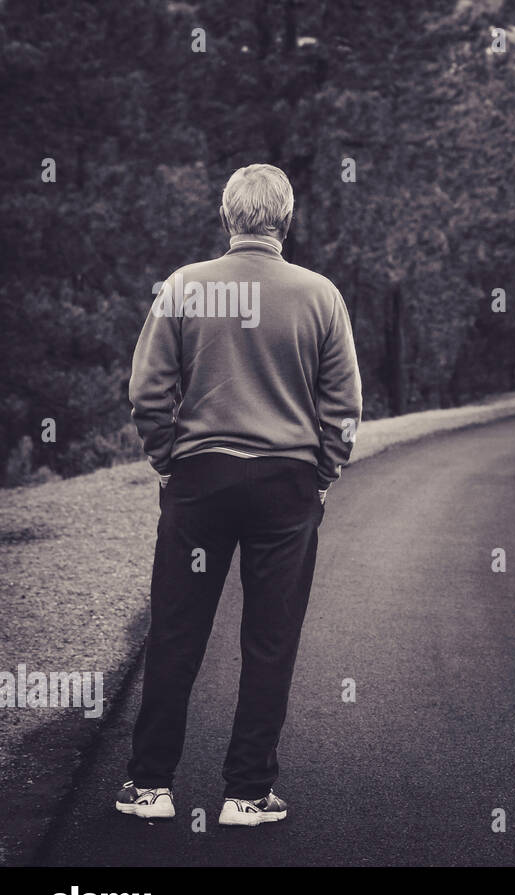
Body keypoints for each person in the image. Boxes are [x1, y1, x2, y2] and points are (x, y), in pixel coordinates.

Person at [117, 163, 362, 826]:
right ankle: (247, 794)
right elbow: (344, 406)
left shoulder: (183, 288)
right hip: (285, 486)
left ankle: (150, 788)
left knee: (176, 630)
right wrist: (323, 473)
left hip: (201, 479)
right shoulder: (320, 295)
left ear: (228, 217)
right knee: (270, 638)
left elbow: (147, 392)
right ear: (285, 220)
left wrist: (168, 461)